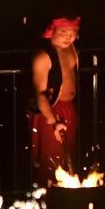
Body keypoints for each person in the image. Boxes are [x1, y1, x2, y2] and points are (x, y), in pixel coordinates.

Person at [29, 16, 80, 187]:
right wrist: (53, 121)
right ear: (52, 31)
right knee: (51, 162)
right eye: (63, 32)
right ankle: (47, 202)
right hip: (50, 111)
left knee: (69, 159)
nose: (68, 37)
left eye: (72, 32)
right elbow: (40, 95)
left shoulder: (71, 48)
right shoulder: (43, 56)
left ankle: (68, 203)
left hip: (69, 109)